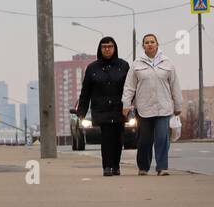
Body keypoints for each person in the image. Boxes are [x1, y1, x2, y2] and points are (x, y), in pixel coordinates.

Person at [123, 33, 182, 175]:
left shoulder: (167, 63)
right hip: (144, 108)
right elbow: (129, 86)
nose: (150, 44)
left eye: (152, 42)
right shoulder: (136, 64)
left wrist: (178, 105)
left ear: (157, 44)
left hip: (164, 108)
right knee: (144, 140)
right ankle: (143, 167)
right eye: (147, 42)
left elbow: (175, 85)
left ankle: (162, 167)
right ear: (143, 46)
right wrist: (126, 104)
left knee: (162, 138)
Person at [74, 36, 130, 176]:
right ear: (100, 49)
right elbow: (85, 91)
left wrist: (130, 105)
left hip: (119, 108)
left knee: (118, 139)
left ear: (114, 48)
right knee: (106, 138)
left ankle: (116, 166)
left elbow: (130, 88)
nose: (107, 49)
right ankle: (107, 167)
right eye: (104, 47)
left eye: (110, 46)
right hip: (101, 108)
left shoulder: (123, 66)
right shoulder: (93, 68)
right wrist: (81, 111)